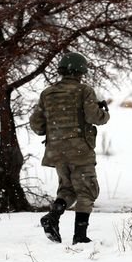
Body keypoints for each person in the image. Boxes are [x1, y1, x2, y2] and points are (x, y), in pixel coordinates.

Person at [30, 52, 110, 245]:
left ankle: (52, 217)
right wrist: (104, 112)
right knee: (88, 190)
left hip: (55, 151)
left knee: (68, 189)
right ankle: (80, 236)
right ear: (81, 70)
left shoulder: (47, 93)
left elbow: (36, 124)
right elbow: (94, 117)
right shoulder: (84, 90)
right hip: (79, 150)